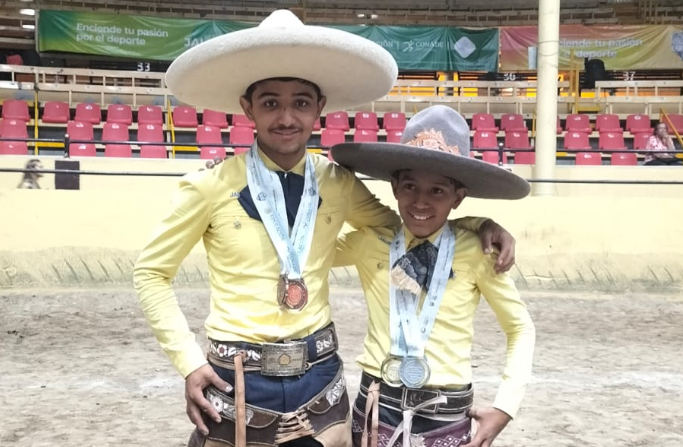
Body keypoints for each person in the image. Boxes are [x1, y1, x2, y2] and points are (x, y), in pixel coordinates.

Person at [134, 10, 517, 447]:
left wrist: (476, 224)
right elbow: (150, 273)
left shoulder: (338, 183)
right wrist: (186, 360)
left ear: (319, 108)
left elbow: (408, 226)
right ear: (247, 107)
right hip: (235, 380)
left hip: (319, 382)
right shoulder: (207, 186)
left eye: (300, 102)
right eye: (270, 102)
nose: (286, 117)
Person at [331, 105, 536, 447]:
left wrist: (505, 405)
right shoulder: (370, 242)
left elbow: (520, 327)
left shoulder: (478, 251)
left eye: (437, 191)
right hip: (376, 405)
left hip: (446, 414)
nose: (420, 202)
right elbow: (307, 252)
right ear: (395, 187)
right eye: (410, 186)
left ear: (458, 198)